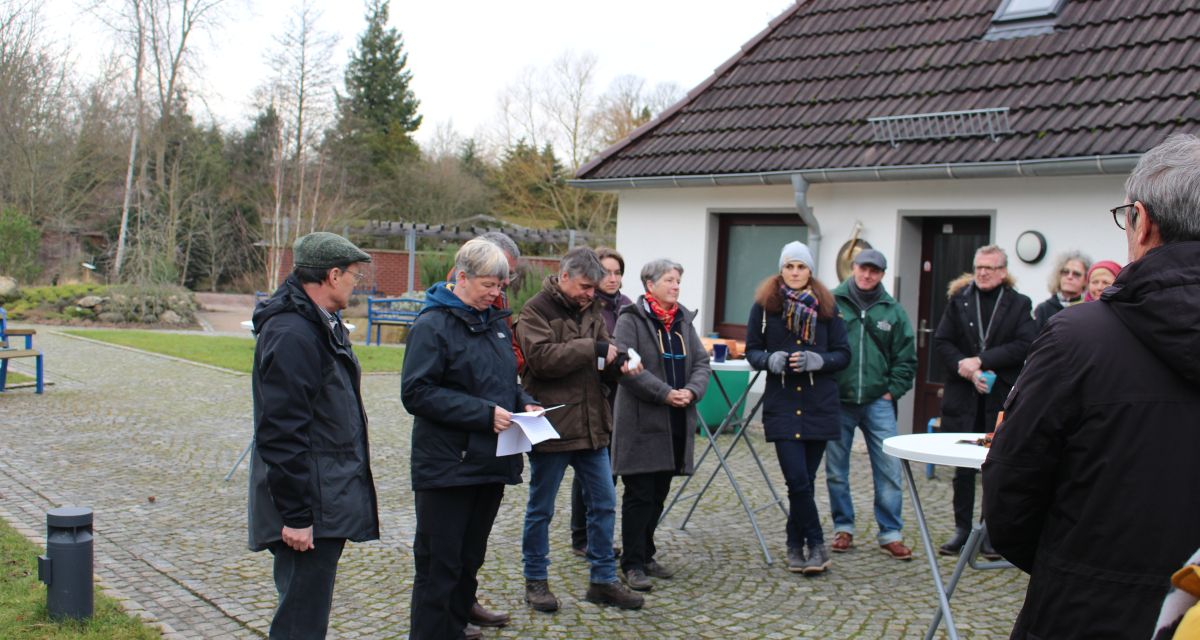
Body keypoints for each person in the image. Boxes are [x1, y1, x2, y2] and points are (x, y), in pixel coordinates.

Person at [982, 133, 1200, 638]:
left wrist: (1073, 568)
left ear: (1141, 221)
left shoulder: (1077, 337)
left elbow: (1012, 491)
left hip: (1082, 610)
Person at [402, 238, 541, 639]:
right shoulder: (432, 325)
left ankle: (455, 627)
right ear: (461, 278)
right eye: (489, 286)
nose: (497, 294)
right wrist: (482, 415)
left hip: (489, 462)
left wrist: (525, 402)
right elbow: (417, 393)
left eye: (502, 286)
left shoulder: (493, 322)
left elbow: (504, 382)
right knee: (438, 565)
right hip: (447, 466)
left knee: (467, 558)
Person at [248, 232, 379, 640]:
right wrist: (298, 516)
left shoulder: (319, 325)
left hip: (325, 494)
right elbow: (282, 433)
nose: (357, 284)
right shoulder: (294, 334)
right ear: (332, 275)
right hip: (310, 504)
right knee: (300, 620)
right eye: (355, 276)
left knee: (306, 611)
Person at [516, 247, 645, 612]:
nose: (593, 294)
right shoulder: (535, 310)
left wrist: (621, 364)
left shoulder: (591, 310)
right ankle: (536, 581)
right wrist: (595, 348)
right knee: (541, 510)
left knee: (604, 505)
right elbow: (541, 361)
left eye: (596, 287)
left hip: (593, 426)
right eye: (587, 286)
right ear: (565, 276)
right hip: (553, 425)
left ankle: (603, 580)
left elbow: (601, 358)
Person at [745, 241, 850, 575]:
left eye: (800, 267)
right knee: (797, 480)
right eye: (789, 266)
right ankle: (816, 544)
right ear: (781, 269)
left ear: (810, 271)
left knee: (804, 480)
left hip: (819, 404)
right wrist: (770, 359)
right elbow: (752, 351)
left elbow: (844, 355)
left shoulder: (828, 307)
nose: (794, 272)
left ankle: (794, 545)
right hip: (784, 404)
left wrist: (818, 360)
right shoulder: (764, 306)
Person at [611, 258, 710, 591]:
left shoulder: (682, 319)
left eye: (678, 280)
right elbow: (626, 367)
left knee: (659, 494)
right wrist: (666, 393)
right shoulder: (631, 320)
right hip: (642, 421)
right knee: (639, 493)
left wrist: (691, 391)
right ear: (649, 285)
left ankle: (647, 552)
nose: (676, 286)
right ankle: (632, 563)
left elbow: (701, 362)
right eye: (669, 280)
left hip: (676, 420)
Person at [933, 244, 1036, 557]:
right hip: (963, 396)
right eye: (978, 268)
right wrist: (965, 367)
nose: (982, 273)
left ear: (1002, 272)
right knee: (961, 471)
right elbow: (942, 341)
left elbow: (1026, 343)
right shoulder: (960, 300)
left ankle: (990, 530)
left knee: (997, 467)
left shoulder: (1019, 303)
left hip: (999, 397)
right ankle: (963, 529)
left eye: (989, 269)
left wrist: (982, 360)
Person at [825, 249, 917, 561]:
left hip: (879, 401)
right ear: (853, 268)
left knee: (889, 468)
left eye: (875, 271)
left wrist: (893, 390)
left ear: (882, 274)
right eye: (864, 269)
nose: (868, 275)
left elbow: (907, 358)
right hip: (840, 400)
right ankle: (843, 527)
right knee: (836, 469)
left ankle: (890, 532)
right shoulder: (832, 303)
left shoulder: (893, 311)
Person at [569, 247, 633, 558]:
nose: (612, 278)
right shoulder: (587, 305)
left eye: (617, 273)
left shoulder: (629, 306)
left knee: (610, 470)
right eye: (607, 272)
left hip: (622, 392)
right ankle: (581, 535)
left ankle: (599, 535)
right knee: (589, 468)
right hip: (592, 393)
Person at [1032, 251, 1091, 330]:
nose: (1069, 277)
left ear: (1086, 280)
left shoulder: (1089, 310)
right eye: (1065, 272)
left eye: (1076, 274)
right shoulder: (1043, 309)